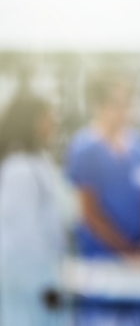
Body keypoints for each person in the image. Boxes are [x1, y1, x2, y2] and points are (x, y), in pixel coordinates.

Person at [64, 70, 140, 325]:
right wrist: (125, 249)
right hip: (100, 264)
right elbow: (89, 212)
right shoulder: (84, 149)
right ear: (99, 105)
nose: (125, 110)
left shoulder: (139, 146)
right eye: (117, 103)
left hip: (137, 267)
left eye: (128, 102)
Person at [0, 93, 68, 326]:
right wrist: (42, 287)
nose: (53, 124)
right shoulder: (19, 168)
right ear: (31, 122)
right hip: (28, 285)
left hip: (44, 278)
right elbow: (22, 237)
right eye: (47, 118)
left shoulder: (38, 161)